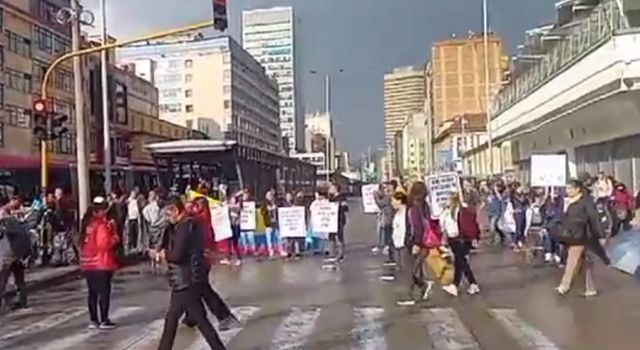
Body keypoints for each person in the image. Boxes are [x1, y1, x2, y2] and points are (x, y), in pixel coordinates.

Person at [156, 196, 226, 350]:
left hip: (185, 280)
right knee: (172, 319)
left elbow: (177, 255)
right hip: (183, 279)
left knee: (200, 321)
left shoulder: (184, 227)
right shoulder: (189, 224)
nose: (168, 218)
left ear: (175, 210)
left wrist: (163, 254)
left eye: (168, 214)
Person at [555, 179, 610, 297]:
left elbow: (594, 218)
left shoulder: (586, 202)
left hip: (580, 235)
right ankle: (590, 288)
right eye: (567, 188)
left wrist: (600, 234)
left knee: (572, 261)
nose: (567, 191)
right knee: (585, 263)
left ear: (577, 189)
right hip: (569, 235)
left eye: (570, 188)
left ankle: (565, 285)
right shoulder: (568, 201)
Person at [79, 196, 120, 329]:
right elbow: (104, 244)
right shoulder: (101, 225)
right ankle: (104, 319)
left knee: (92, 293)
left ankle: (94, 320)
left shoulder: (86, 224)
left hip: (88, 263)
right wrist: (114, 237)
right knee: (104, 292)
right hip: (101, 263)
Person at [439, 192, 480, 296]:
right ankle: (473, 284)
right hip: (459, 239)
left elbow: (444, 224)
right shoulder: (455, 209)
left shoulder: (456, 210)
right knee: (462, 262)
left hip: (459, 239)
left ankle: (455, 285)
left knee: (459, 261)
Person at [374, 182, 395, 265]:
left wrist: (375, 197)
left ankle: (392, 258)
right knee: (389, 238)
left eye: (388, 189)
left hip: (389, 220)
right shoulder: (390, 196)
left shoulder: (389, 197)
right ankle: (391, 257)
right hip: (389, 219)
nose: (386, 190)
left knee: (389, 239)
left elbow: (380, 203)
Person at [327, 184, 349, 262]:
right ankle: (332, 254)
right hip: (331, 220)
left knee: (339, 237)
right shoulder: (330, 198)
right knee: (331, 237)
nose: (329, 190)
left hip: (339, 220)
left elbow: (346, 208)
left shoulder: (342, 198)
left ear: (335, 189)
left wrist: (338, 206)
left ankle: (340, 255)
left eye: (331, 188)